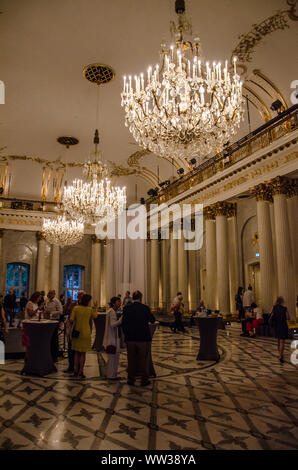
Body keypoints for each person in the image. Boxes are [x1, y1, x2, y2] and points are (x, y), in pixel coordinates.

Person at [122, 290, 155, 386]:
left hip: (130, 339)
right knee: (143, 359)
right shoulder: (145, 308)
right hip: (142, 338)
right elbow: (152, 320)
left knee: (131, 359)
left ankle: (131, 379)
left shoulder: (126, 308)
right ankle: (144, 380)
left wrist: (126, 335)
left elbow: (124, 323)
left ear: (133, 297)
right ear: (141, 298)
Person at [70, 294, 98, 379]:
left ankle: (75, 370)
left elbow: (71, 320)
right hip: (86, 332)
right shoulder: (89, 309)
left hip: (77, 332)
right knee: (83, 353)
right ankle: (81, 371)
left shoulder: (76, 308)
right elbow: (95, 316)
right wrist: (95, 308)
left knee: (76, 352)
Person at [63, 290, 85, 373]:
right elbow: (65, 312)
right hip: (72, 328)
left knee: (79, 349)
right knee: (70, 347)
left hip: (80, 328)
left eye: (81, 295)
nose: (80, 296)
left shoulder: (85, 306)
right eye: (79, 295)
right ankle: (71, 366)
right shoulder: (73, 304)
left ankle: (79, 367)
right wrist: (67, 304)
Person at [103, 296, 123, 380]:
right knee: (112, 358)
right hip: (112, 339)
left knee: (113, 358)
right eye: (118, 302)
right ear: (114, 303)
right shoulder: (112, 312)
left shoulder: (111, 311)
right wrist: (121, 320)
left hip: (112, 338)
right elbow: (112, 324)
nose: (120, 303)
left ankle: (112, 374)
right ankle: (111, 375)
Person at [269, 297, 290, 364]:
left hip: (277, 326)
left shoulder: (274, 307)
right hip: (283, 326)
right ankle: (281, 355)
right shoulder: (284, 308)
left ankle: (280, 354)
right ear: (282, 302)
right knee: (282, 342)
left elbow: (271, 315)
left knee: (278, 341)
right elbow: (288, 318)